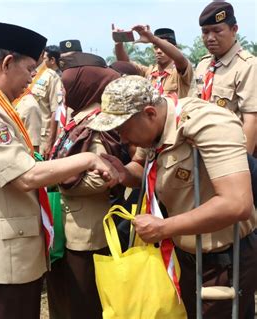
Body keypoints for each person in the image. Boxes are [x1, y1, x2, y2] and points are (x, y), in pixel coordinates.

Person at [0, 22, 119, 319]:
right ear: (6, 63)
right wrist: (88, 161)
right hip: (1, 259)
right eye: (30, 69)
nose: (32, 80)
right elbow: (25, 175)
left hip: (10, 250)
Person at [88, 75, 257, 319]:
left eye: (123, 128)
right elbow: (146, 171)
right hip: (184, 258)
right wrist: (123, 173)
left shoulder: (209, 124)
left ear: (149, 113)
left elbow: (237, 203)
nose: (122, 139)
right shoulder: (156, 126)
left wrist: (164, 228)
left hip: (222, 261)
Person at [49, 52, 122, 319]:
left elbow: (103, 177)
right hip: (64, 222)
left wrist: (56, 179)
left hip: (86, 229)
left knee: (84, 301)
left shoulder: (102, 120)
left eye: (67, 86)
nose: (63, 92)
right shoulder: (77, 115)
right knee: (63, 295)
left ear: (85, 85)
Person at [193, 1, 257, 154]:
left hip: (229, 153)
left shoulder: (248, 66)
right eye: (205, 31)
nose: (210, 38)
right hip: (200, 149)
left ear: (234, 30)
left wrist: (240, 165)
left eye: (217, 31)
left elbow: (252, 121)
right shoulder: (203, 65)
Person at [114, 25, 193, 98]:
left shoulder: (180, 72)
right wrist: (118, 44)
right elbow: (125, 65)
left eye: (163, 47)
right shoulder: (149, 72)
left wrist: (154, 40)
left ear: (175, 48)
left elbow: (179, 58)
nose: (158, 51)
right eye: (155, 47)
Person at [29, 49, 63, 159]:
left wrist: (50, 142)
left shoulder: (51, 76)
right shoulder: (22, 73)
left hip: (41, 138)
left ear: (42, 54)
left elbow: (56, 111)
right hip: (22, 134)